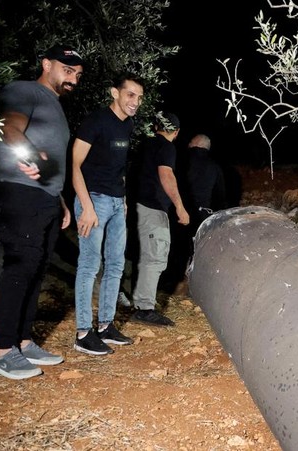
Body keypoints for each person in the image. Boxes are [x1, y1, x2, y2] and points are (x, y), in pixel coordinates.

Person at [0, 45, 83, 379]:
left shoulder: (54, 105)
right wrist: (25, 155)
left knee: (37, 268)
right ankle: (1, 351)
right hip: (19, 192)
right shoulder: (25, 90)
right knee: (21, 265)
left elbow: (51, 163)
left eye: (77, 74)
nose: (73, 77)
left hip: (45, 198)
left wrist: (59, 200)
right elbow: (8, 127)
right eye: (67, 70)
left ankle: (24, 341)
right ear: (46, 64)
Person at [72, 73, 144, 355]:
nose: (135, 102)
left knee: (115, 265)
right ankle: (82, 332)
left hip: (115, 203)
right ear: (115, 93)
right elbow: (75, 164)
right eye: (130, 95)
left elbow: (120, 166)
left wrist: (123, 199)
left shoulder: (129, 126)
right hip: (94, 201)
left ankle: (105, 325)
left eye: (139, 97)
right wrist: (86, 206)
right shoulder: (96, 122)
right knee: (90, 265)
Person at [130, 112, 188, 327]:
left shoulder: (145, 144)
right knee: (154, 257)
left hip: (138, 205)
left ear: (155, 126)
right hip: (152, 207)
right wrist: (180, 207)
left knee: (143, 255)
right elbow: (166, 176)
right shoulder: (166, 147)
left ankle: (138, 302)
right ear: (176, 132)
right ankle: (145, 309)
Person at [186, 133, 226, 224]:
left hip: (181, 214)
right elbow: (221, 194)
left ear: (198, 144)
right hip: (205, 215)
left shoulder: (182, 161)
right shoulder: (215, 167)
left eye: (191, 142)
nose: (189, 144)